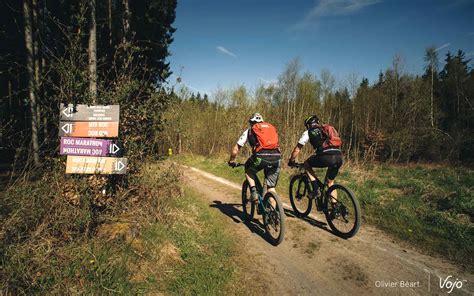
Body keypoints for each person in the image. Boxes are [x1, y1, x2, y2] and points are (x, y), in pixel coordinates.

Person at [228, 113, 281, 202]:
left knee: (248, 170)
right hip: (277, 158)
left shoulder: (249, 130)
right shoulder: (270, 128)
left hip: (261, 157)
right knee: (271, 188)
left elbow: (235, 149)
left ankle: (253, 192)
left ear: (251, 122)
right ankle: (273, 214)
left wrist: (232, 160)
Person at [288, 115, 343, 198]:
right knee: (330, 183)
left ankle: (316, 189)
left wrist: (291, 160)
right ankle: (335, 207)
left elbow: (297, 149)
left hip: (326, 156)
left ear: (308, 125)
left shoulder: (308, 132)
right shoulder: (324, 130)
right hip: (339, 156)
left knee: (307, 164)